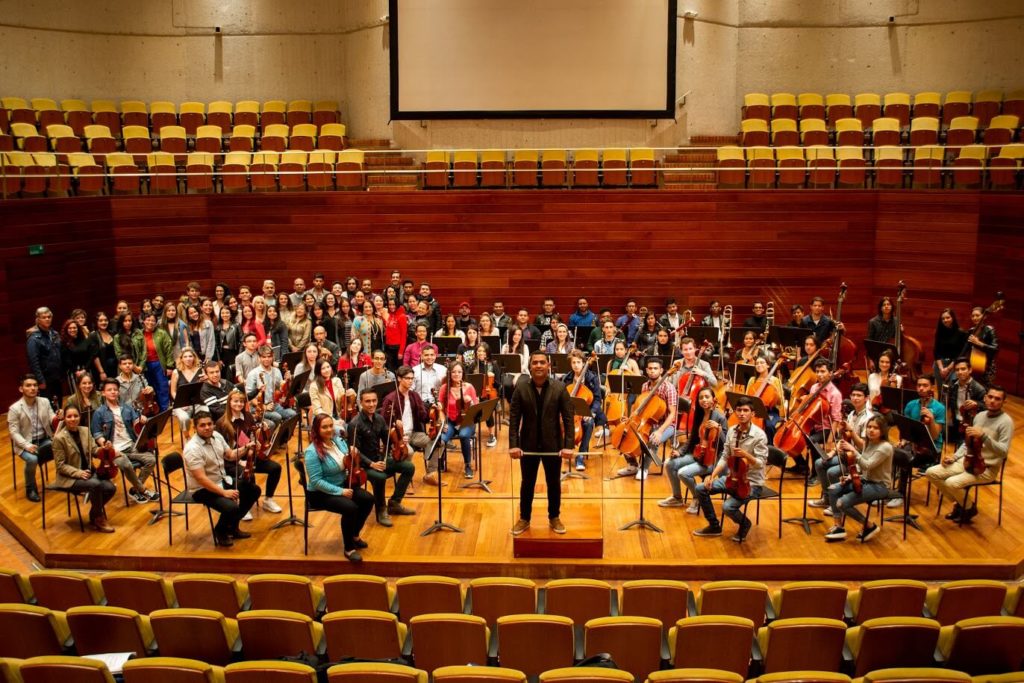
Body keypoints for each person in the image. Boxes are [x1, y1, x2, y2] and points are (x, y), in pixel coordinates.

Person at [926, 385, 1013, 524]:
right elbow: (968, 443)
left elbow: (1003, 451)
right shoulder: (979, 416)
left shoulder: (1006, 422)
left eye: (997, 399)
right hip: (968, 461)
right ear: (985, 398)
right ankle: (965, 505)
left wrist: (984, 437)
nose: (992, 401)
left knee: (952, 483)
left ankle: (967, 508)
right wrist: (955, 456)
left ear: (1004, 402)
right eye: (990, 397)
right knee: (931, 472)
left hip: (986, 468)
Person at [509, 351, 574, 535]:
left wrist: (568, 446)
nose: (538, 365)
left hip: (553, 446)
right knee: (527, 483)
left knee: (553, 483)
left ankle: (554, 517)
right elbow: (514, 419)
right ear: (530, 367)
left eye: (542, 362)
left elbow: (568, 419)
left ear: (549, 366)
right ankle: (524, 518)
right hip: (527, 445)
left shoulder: (560, 388)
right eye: (535, 363)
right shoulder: (521, 388)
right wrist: (514, 444)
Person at [692, 395, 769, 542]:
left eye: (745, 410)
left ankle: (745, 523)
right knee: (701, 488)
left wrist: (748, 456)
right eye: (739, 410)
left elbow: (761, 463)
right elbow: (725, 456)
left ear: (752, 414)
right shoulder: (732, 431)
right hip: (731, 479)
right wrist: (712, 475)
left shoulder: (759, 436)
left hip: (751, 482)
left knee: (728, 507)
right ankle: (714, 526)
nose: (741, 413)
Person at [303, 414, 375, 562]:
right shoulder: (312, 452)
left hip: (342, 484)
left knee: (368, 499)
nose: (329, 429)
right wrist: (340, 491)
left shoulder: (338, 441)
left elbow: (348, 458)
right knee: (351, 508)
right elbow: (316, 481)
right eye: (324, 427)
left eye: (330, 426)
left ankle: (354, 535)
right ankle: (349, 548)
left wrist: (353, 453)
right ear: (316, 429)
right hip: (319, 493)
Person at [184, 411, 260, 547]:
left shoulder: (216, 436)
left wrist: (246, 447)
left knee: (253, 490)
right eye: (202, 425)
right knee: (232, 507)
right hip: (202, 489)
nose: (207, 427)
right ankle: (220, 530)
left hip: (221, 479)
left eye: (209, 424)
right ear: (195, 428)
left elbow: (230, 455)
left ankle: (232, 527)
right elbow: (201, 479)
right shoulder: (192, 449)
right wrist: (224, 492)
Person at [348, 389, 416, 527]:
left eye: (374, 401)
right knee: (379, 477)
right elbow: (354, 452)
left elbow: (388, 440)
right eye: (367, 401)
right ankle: (381, 509)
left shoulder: (379, 419)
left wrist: (399, 434)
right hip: (363, 465)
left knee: (409, 467)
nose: (371, 404)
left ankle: (394, 502)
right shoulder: (354, 424)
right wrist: (371, 464)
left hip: (379, 460)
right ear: (361, 403)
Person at [823, 414, 894, 543]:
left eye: (876, 428)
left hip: (879, 486)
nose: (871, 430)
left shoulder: (885, 448)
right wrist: (850, 477)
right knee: (833, 489)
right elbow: (862, 468)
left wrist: (853, 451)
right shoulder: (869, 442)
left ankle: (869, 526)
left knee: (842, 503)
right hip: (865, 480)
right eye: (869, 427)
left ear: (882, 430)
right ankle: (838, 527)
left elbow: (867, 465)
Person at [214, 389, 283, 515]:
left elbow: (251, 434)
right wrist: (240, 461)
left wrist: (258, 437)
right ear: (229, 403)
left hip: (249, 456)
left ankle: (268, 499)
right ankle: (244, 506)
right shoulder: (222, 423)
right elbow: (222, 451)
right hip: (231, 462)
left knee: (275, 468)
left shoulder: (247, 416)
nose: (239, 404)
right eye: (235, 401)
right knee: (248, 475)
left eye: (241, 401)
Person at [92, 378, 159, 504]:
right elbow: (97, 433)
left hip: (131, 445)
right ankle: (143, 490)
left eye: (115, 390)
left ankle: (135, 489)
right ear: (103, 393)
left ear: (118, 392)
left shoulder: (126, 408)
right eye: (109, 390)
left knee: (151, 460)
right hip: (114, 450)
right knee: (126, 464)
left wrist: (142, 420)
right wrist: (104, 444)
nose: (113, 392)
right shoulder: (99, 413)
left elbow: (136, 422)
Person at [660, 388, 727, 512]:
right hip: (697, 453)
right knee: (669, 464)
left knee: (682, 473)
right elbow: (693, 438)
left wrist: (718, 428)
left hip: (712, 460)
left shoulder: (720, 417)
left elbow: (726, 443)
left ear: (713, 399)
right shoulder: (700, 414)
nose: (704, 400)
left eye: (707, 397)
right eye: (701, 397)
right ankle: (677, 497)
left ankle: (697, 498)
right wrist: (680, 451)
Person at [52, 404, 116, 532]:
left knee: (110, 488)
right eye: (69, 416)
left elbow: (93, 450)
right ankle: (98, 518)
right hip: (70, 477)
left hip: (89, 473)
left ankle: (93, 514)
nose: (73, 419)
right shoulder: (59, 438)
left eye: (75, 416)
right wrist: (78, 473)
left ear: (80, 417)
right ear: (64, 418)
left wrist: (104, 449)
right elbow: (60, 466)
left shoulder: (85, 431)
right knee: (96, 485)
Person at [809, 382, 873, 507]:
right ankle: (828, 499)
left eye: (859, 395)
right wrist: (832, 452)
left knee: (832, 472)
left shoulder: (869, 419)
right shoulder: (851, 415)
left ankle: (839, 503)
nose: (855, 398)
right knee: (819, 463)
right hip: (847, 455)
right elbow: (844, 439)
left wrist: (851, 431)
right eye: (853, 395)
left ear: (866, 398)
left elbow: (864, 446)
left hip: (859, 459)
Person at [888, 374, 946, 510]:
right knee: (890, 451)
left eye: (925, 385)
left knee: (904, 457)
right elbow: (906, 427)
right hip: (912, 443)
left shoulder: (939, 408)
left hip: (930, 448)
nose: (921, 388)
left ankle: (900, 494)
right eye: (919, 385)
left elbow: (935, 435)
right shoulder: (911, 404)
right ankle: (887, 489)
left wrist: (931, 420)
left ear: (931, 387)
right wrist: (903, 440)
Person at [618, 357, 678, 480]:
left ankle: (644, 468)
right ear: (646, 370)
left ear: (661, 370)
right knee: (623, 433)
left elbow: (672, 414)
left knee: (653, 440)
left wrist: (660, 431)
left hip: (667, 425)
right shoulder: (645, 386)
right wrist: (630, 419)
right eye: (650, 368)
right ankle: (632, 465)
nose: (652, 371)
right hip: (647, 421)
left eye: (655, 368)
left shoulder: (669, 388)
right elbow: (641, 407)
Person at [787, 359, 843, 479]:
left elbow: (836, 419)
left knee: (811, 440)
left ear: (830, 373)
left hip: (826, 428)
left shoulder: (835, 394)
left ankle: (816, 474)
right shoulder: (814, 388)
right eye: (817, 371)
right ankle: (801, 465)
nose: (819, 374)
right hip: (812, 424)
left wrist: (829, 441)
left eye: (823, 371)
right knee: (790, 437)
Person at [9, 374, 57, 502]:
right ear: (21, 389)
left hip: (44, 439)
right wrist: (27, 445)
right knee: (32, 459)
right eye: (28, 385)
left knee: (64, 446)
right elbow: (14, 433)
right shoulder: (14, 408)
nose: (32, 388)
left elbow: (52, 418)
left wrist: (58, 417)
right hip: (25, 444)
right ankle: (30, 488)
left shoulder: (45, 401)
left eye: (35, 385)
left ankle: (65, 479)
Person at [562, 350, 605, 471]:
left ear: (584, 362)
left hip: (588, 410)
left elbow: (597, 399)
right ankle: (563, 449)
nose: (576, 365)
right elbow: (562, 397)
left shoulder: (592, 378)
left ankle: (580, 455)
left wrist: (591, 413)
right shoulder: (567, 378)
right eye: (573, 362)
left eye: (578, 362)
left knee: (589, 422)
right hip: (570, 412)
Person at [437, 362, 480, 478]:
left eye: (459, 372)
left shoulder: (469, 387)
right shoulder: (444, 388)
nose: (457, 374)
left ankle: (467, 465)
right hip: (450, 420)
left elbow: (476, 409)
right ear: (449, 374)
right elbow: (440, 408)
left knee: (464, 436)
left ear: (463, 373)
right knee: (442, 438)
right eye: (454, 372)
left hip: (466, 420)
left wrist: (470, 401)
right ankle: (441, 461)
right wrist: (443, 422)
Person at [134, 312, 173, 411]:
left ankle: (165, 410)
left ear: (156, 322)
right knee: (149, 389)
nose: (150, 322)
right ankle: (153, 411)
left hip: (159, 364)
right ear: (143, 321)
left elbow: (169, 350)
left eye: (153, 320)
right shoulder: (138, 334)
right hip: (144, 366)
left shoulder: (161, 333)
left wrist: (169, 366)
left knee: (162, 387)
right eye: (148, 320)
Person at [945, 357, 986, 447]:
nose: (960, 372)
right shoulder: (952, 385)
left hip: (971, 425)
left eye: (963, 369)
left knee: (961, 447)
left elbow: (986, 408)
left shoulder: (979, 389)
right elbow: (947, 404)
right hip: (956, 422)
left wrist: (977, 404)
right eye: (957, 370)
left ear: (970, 370)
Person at [27, 307, 64, 403]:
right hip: (45, 379)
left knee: (59, 405)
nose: (47, 319)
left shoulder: (55, 334)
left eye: (49, 317)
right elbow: (33, 362)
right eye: (44, 317)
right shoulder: (34, 338)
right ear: (38, 319)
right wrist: (40, 380)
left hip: (57, 377)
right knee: (47, 406)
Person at [169, 347, 205, 438]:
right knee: (184, 418)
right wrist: (181, 402)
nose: (188, 359)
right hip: (181, 404)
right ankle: (187, 437)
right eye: (185, 357)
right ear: (181, 359)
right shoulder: (176, 372)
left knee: (206, 413)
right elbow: (173, 391)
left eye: (190, 356)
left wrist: (205, 379)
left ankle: (201, 436)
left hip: (197, 402)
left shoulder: (200, 370)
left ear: (194, 357)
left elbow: (204, 388)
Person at [966, 305, 999, 386]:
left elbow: (995, 349)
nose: (974, 318)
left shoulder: (989, 330)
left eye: (977, 315)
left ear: (984, 316)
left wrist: (979, 343)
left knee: (985, 390)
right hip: (973, 364)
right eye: (973, 316)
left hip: (987, 366)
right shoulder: (971, 330)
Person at [933, 308, 967, 384]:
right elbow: (936, 352)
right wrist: (941, 368)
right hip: (940, 365)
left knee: (951, 388)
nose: (945, 320)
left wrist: (948, 369)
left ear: (953, 318)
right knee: (940, 390)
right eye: (943, 318)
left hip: (954, 365)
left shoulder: (961, 333)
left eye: (948, 317)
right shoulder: (939, 332)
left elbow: (961, 353)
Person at [88, 311, 118, 385]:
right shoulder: (93, 336)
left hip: (116, 368)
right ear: (96, 322)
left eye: (106, 320)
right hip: (103, 369)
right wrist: (101, 372)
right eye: (100, 321)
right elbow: (95, 356)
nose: (104, 322)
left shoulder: (113, 333)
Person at [384, 298, 408, 370]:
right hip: (388, 347)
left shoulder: (402, 316)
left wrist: (401, 351)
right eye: (390, 305)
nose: (391, 306)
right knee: (389, 368)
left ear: (397, 305)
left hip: (397, 348)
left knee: (398, 369)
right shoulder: (390, 315)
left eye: (393, 304)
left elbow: (404, 335)